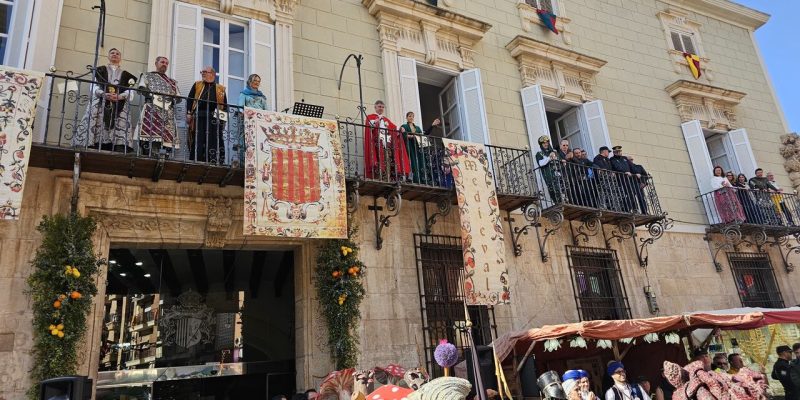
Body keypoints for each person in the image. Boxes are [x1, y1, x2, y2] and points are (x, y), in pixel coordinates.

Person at [75, 48, 137, 152]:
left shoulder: (126, 75)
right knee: (97, 118)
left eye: (117, 54)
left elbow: (130, 91)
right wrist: (103, 94)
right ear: (108, 56)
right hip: (101, 100)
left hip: (119, 102)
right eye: (112, 53)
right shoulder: (100, 70)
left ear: (120, 58)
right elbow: (93, 86)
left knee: (120, 120)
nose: (115, 55)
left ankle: (119, 145)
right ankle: (94, 142)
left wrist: (120, 96)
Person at [136, 56, 181, 157]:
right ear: (156, 63)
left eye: (166, 63)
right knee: (151, 133)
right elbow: (142, 88)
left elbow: (178, 97)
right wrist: (153, 97)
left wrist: (171, 101)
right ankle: (149, 153)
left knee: (167, 136)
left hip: (168, 111)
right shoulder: (147, 75)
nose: (164, 64)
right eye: (162, 62)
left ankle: (164, 154)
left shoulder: (172, 82)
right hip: (152, 108)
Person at [187, 66, 228, 163]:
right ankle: (196, 159)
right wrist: (188, 113)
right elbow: (190, 100)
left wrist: (223, 121)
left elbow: (224, 106)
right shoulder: (197, 85)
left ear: (213, 74)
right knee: (198, 139)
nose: (203, 73)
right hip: (199, 116)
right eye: (202, 72)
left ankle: (213, 160)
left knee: (214, 140)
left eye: (205, 72)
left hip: (214, 118)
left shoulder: (220, 89)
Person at [364, 100, 410, 181]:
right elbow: (369, 127)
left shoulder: (386, 120)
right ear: (375, 107)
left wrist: (399, 130)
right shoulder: (370, 117)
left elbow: (393, 129)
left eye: (382, 107)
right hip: (376, 144)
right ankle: (379, 177)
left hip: (387, 145)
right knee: (378, 160)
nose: (381, 108)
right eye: (379, 107)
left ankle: (388, 177)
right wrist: (375, 122)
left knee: (387, 160)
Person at [399, 112, 441, 185]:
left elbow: (424, 135)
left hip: (418, 148)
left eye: (412, 116)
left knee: (420, 162)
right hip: (409, 147)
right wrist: (411, 136)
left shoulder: (417, 128)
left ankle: (422, 179)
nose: (411, 118)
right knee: (411, 162)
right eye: (409, 116)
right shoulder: (404, 126)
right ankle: (411, 178)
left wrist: (432, 125)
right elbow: (403, 135)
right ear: (406, 117)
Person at [235, 73, 268, 164]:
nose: (257, 83)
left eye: (258, 81)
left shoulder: (262, 97)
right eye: (255, 81)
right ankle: (244, 161)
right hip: (248, 121)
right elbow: (240, 106)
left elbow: (266, 110)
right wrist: (243, 113)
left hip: (259, 122)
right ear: (250, 82)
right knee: (247, 142)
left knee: (259, 142)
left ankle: (259, 161)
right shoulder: (244, 94)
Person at [536, 135, 564, 204]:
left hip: (559, 173)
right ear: (541, 144)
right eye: (543, 143)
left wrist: (563, 161)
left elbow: (560, 160)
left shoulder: (554, 152)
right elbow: (541, 163)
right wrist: (549, 157)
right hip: (549, 174)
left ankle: (564, 200)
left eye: (547, 142)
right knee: (553, 189)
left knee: (563, 187)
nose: (546, 144)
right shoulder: (539, 153)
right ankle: (557, 202)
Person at [610, 146, 635, 212]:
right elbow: (616, 167)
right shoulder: (612, 159)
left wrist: (637, 173)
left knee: (632, 194)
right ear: (614, 152)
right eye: (617, 151)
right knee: (623, 194)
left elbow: (631, 167)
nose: (619, 152)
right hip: (620, 179)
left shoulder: (625, 158)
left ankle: (628, 209)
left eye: (620, 151)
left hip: (629, 179)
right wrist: (624, 172)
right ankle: (625, 209)